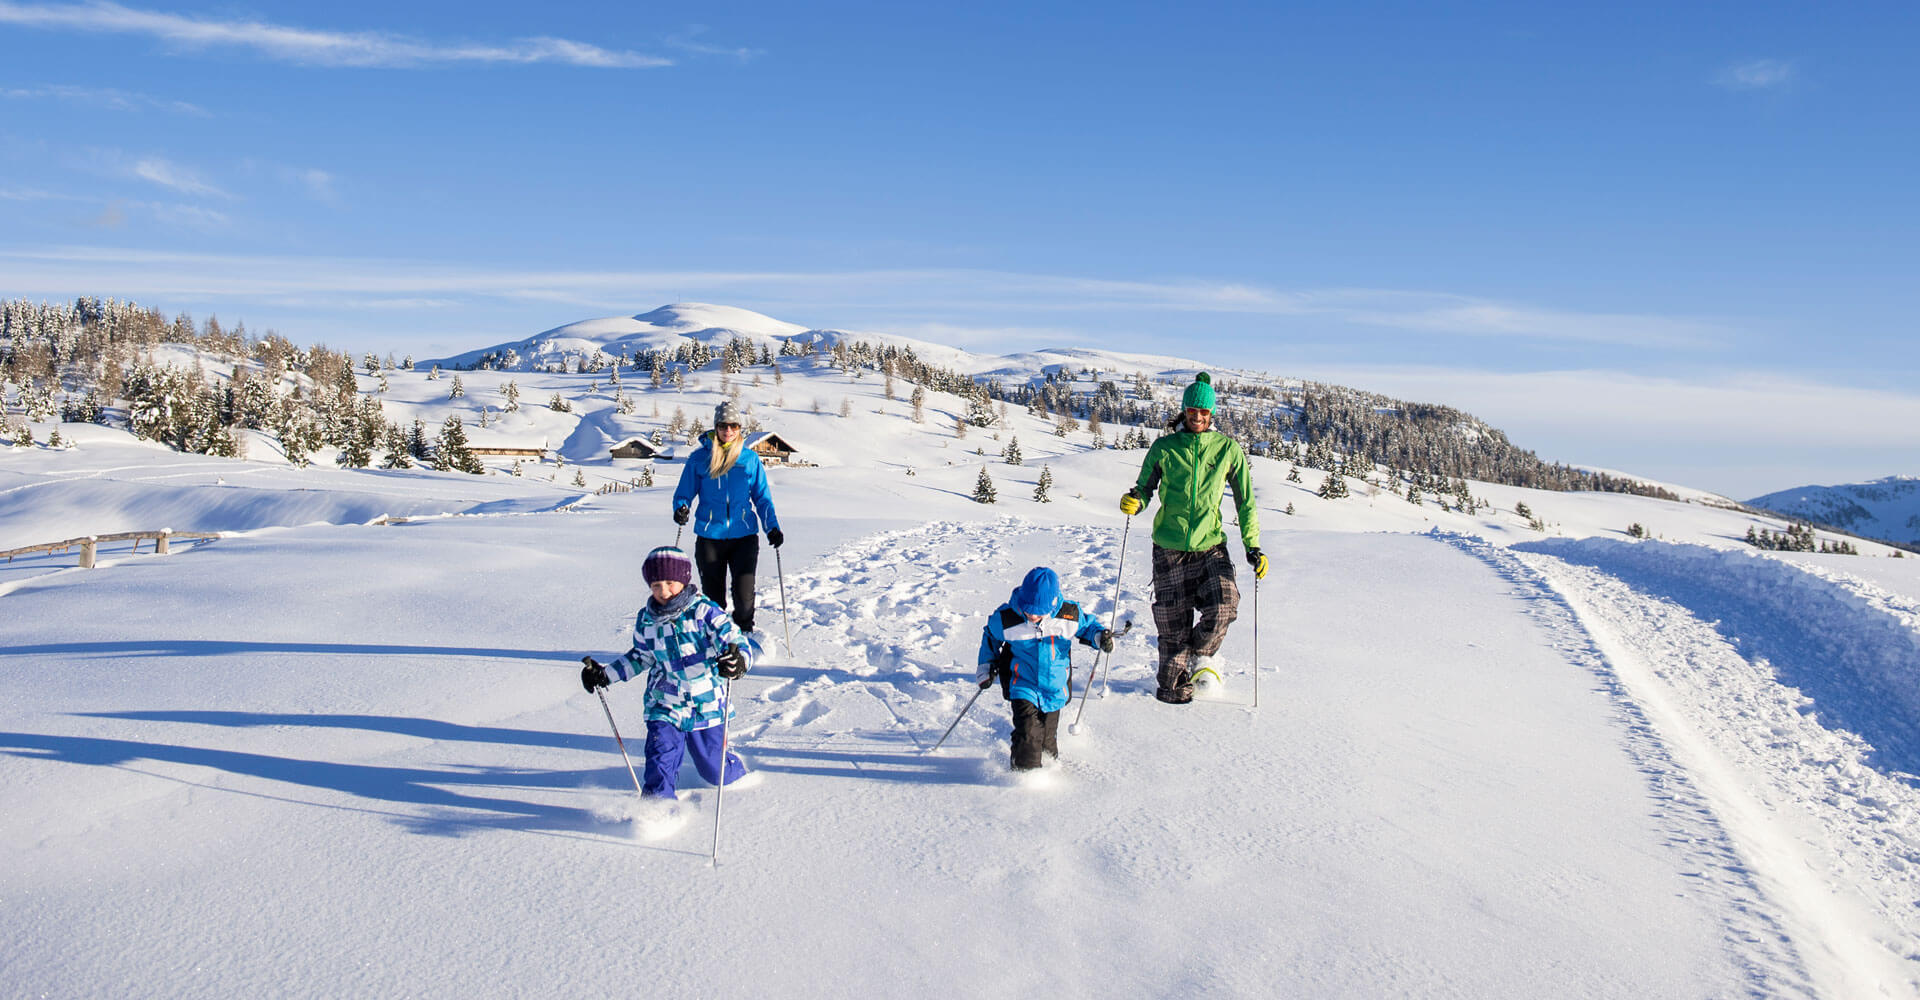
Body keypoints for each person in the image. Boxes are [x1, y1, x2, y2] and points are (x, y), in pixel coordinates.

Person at [1118, 372, 1266, 705]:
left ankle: (1202, 656)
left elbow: (1246, 501)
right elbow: (1144, 488)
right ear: (1183, 411)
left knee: (1225, 605)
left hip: (1210, 547)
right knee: (1171, 685)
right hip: (1168, 550)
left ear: (1212, 414)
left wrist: (1253, 545)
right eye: (1192, 411)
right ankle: (1179, 672)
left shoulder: (1227, 449)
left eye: (1203, 412)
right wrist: (1136, 501)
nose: (1197, 417)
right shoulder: (1164, 448)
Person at [580, 546, 751, 799]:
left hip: (706, 702)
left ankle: (734, 769)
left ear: (683, 580)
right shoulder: (647, 619)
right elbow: (641, 656)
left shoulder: (704, 612)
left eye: (670, 583)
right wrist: (606, 675)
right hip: (665, 702)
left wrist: (737, 660)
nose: (664, 592)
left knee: (714, 770)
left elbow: (734, 640)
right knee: (660, 758)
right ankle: (657, 809)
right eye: (656, 585)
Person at [977, 566, 1113, 770]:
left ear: (1052, 605)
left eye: (1038, 612)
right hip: (1022, 682)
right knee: (1028, 734)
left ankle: (1048, 777)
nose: (1031, 615)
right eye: (1028, 609)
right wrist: (987, 666)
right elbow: (990, 636)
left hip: (1055, 686)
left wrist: (1099, 637)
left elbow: (1088, 627)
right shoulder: (1008, 618)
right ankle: (1023, 777)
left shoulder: (1068, 615)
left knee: (1047, 743)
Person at [672, 400, 783, 650]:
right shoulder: (699, 459)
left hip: (744, 536)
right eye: (723, 425)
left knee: (744, 596)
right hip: (710, 536)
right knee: (714, 597)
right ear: (716, 426)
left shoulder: (749, 459)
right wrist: (681, 508)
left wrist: (772, 527)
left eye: (733, 426)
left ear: (739, 428)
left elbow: (762, 498)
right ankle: (715, 638)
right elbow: (684, 493)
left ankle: (744, 635)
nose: (728, 431)